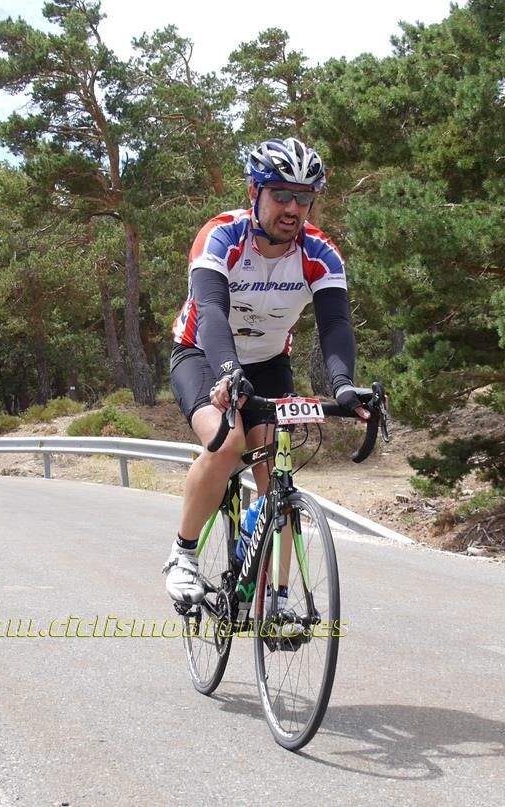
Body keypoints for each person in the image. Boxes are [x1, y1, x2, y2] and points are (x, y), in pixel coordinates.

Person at [162, 137, 369, 618]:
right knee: (228, 440)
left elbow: (335, 324)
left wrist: (342, 385)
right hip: (203, 352)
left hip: (270, 362)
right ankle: (184, 556)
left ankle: (272, 600)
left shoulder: (320, 252)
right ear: (254, 191)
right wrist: (229, 372)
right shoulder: (222, 236)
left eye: (304, 197)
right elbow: (211, 309)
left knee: (276, 477)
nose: (293, 208)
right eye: (281, 194)